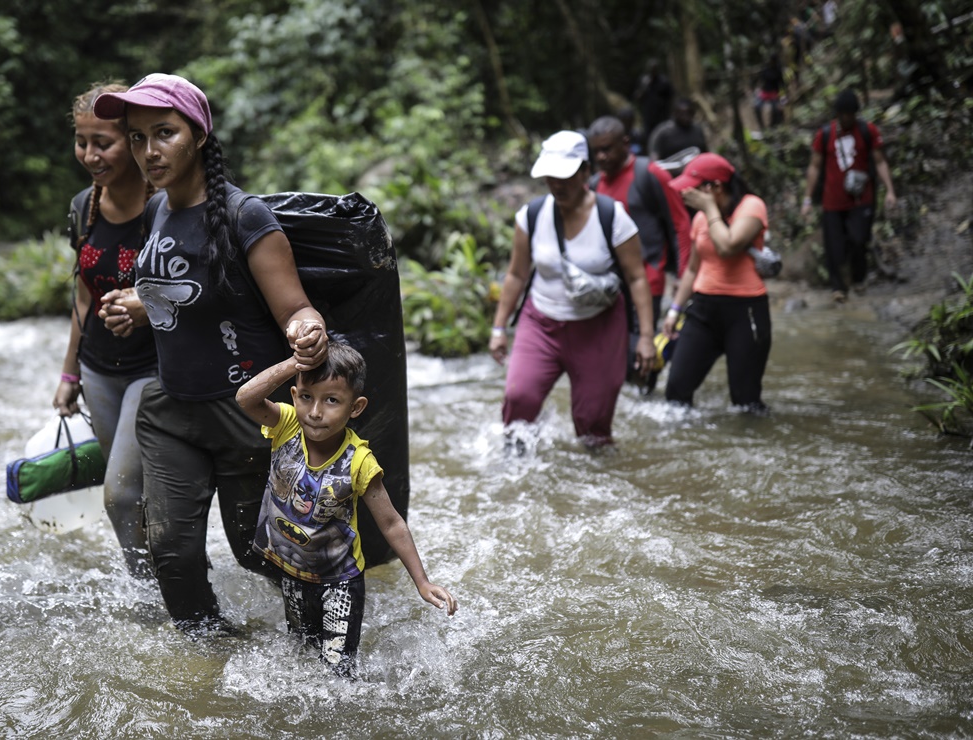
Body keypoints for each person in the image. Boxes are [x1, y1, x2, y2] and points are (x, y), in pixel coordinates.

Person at [93, 73, 329, 631]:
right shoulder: (156, 212)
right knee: (172, 556)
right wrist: (138, 305)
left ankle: (323, 629)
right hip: (172, 409)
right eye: (136, 137)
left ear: (198, 135)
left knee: (256, 553)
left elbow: (295, 307)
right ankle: (214, 677)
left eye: (164, 133)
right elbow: (181, 296)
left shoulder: (247, 217)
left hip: (244, 412)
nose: (148, 151)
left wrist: (308, 329)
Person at [235, 342, 457, 678]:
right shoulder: (287, 426)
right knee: (300, 655)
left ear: (356, 407)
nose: (315, 412)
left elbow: (392, 523)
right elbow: (245, 398)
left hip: (339, 584)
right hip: (292, 573)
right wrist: (294, 362)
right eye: (307, 397)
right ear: (294, 395)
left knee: (337, 675)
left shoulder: (359, 461)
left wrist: (422, 582)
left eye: (332, 401)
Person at [489, 131, 656, 448]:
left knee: (593, 424)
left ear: (585, 172)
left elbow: (636, 278)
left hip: (600, 328)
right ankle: (513, 470)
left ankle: (593, 485)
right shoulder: (532, 216)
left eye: (564, 175)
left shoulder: (612, 217)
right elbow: (516, 274)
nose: (557, 183)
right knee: (519, 398)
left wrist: (646, 337)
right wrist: (499, 327)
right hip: (541, 323)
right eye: (550, 176)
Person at [52, 81, 157, 579]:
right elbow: (84, 295)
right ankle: (147, 584)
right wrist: (69, 375)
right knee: (130, 494)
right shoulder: (81, 207)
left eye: (104, 142)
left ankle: (156, 587)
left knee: (120, 491)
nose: (90, 155)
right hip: (97, 369)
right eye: (81, 141)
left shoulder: (165, 206)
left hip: (154, 369)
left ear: (134, 141)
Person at [588, 115, 693, 394]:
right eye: (596, 150)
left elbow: (680, 224)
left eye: (607, 149)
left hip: (648, 279)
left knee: (638, 351)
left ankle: (646, 395)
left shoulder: (649, 173)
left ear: (625, 144)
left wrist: (683, 275)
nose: (602, 156)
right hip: (609, 285)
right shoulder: (595, 184)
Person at [662, 153, 772, 412]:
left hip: (745, 312)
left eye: (694, 187)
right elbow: (692, 269)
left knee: (745, 402)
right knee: (676, 390)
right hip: (703, 311)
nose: (687, 193)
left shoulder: (751, 207)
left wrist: (710, 208)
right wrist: (674, 310)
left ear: (715, 187)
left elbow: (728, 245)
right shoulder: (701, 219)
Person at [800, 88, 898, 303]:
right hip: (832, 201)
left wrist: (890, 190)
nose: (847, 118)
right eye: (843, 114)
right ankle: (838, 288)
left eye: (850, 114)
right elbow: (815, 167)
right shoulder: (825, 135)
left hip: (862, 199)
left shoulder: (867, 131)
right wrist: (807, 199)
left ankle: (859, 279)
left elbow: (880, 161)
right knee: (833, 246)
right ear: (837, 114)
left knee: (859, 239)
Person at [647, 98, 709, 168]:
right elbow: (654, 158)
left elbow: (705, 152)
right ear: (675, 113)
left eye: (689, 113)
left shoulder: (697, 130)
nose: (686, 117)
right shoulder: (663, 132)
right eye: (682, 114)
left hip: (697, 169)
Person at [634, 59, 674, 149]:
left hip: (662, 116)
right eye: (651, 69)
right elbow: (637, 97)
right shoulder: (643, 80)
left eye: (654, 68)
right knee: (648, 137)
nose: (653, 71)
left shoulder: (664, 81)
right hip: (648, 116)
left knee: (662, 137)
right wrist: (644, 88)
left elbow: (670, 98)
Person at [753, 53, 786, 134]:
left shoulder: (778, 70)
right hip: (764, 93)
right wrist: (757, 90)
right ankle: (762, 127)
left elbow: (782, 84)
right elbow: (760, 81)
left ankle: (775, 128)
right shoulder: (765, 68)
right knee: (756, 107)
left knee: (776, 110)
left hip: (774, 93)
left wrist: (783, 96)